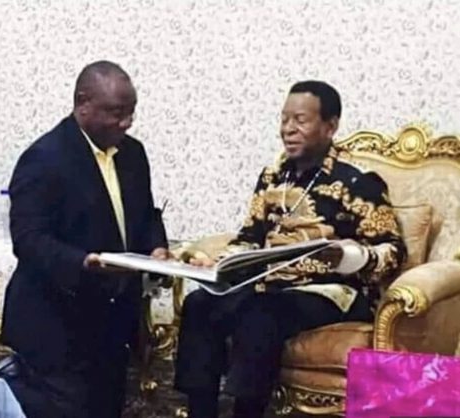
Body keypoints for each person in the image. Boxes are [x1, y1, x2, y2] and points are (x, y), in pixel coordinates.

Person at [174, 80, 407, 418]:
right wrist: (219, 262)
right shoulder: (273, 178)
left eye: (300, 120)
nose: (288, 129)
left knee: (260, 314)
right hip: (270, 284)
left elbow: (393, 250)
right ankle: (201, 410)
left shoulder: (357, 183)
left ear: (330, 126)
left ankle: (247, 413)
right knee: (200, 303)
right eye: (284, 119)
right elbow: (250, 237)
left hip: (330, 291)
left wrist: (348, 256)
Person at [0, 60, 169, 418]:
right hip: (56, 323)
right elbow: (28, 239)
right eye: (116, 113)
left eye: (131, 113)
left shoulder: (133, 154)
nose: (126, 122)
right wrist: (82, 262)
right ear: (83, 103)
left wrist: (157, 247)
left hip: (112, 322)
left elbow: (146, 214)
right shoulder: (44, 158)